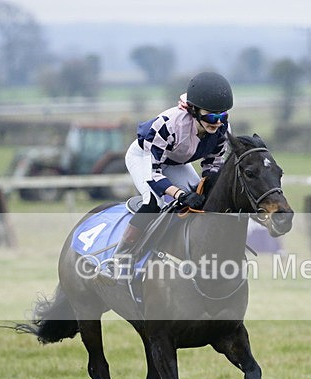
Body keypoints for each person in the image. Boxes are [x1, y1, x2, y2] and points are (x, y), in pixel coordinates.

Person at [100, 71, 234, 281]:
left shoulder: (222, 129)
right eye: (211, 116)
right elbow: (153, 174)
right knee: (154, 201)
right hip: (144, 158)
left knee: (202, 200)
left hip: (175, 162)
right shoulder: (169, 124)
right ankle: (119, 258)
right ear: (194, 110)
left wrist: (207, 189)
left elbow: (213, 166)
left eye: (222, 116)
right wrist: (180, 195)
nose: (217, 123)